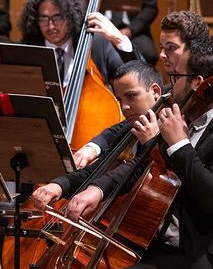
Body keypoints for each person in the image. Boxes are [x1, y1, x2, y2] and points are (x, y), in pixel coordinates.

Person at [64, 39, 213, 269]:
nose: (170, 87)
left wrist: (179, 144)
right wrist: (96, 190)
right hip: (166, 244)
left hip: (209, 253)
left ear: (198, 83)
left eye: (176, 78)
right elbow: (142, 165)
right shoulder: (183, 117)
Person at [62, 11, 213, 169]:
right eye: (161, 47)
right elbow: (126, 125)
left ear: (193, 51)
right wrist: (92, 148)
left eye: (171, 48)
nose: (162, 55)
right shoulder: (168, 93)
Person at [32, 60, 163, 207]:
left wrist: (98, 189)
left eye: (131, 95)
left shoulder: (171, 128)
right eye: (120, 100)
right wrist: (59, 185)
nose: (124, 107)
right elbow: (96, 169)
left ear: (155, 92)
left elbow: (135, 168)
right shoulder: (129, 130)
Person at [18, 0, 125, 85]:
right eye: (44, 19)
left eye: (58, 18)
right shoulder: (27, 49)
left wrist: (119, 40)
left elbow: (130, 75)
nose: (51, 26)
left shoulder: (96, 44)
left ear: (70, 17)